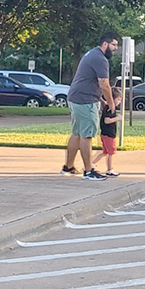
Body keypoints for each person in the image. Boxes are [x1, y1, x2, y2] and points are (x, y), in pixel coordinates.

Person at [61, 32, 119, 181]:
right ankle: (88, 171)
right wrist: (111, 104)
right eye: (114, 45)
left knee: (77, 133)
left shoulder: (91, 54)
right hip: (85, 101)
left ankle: (68, 166)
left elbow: (88, 80)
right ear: (105, 44)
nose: (115, 48)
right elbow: (104, 84)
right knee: (87, 135)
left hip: (76, 97)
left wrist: (100, 99)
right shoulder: (100, 59)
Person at [93, 86, 122, 177]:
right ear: (112, 99)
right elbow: (107, 120)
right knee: (110, 153)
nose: (119, 101)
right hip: (109, 134)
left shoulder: (107, 107)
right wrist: (117, 118)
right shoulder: (110, 109)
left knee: (105, 152)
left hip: (105, 133)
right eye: (118, 99)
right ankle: (110, 169)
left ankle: (92, 164)